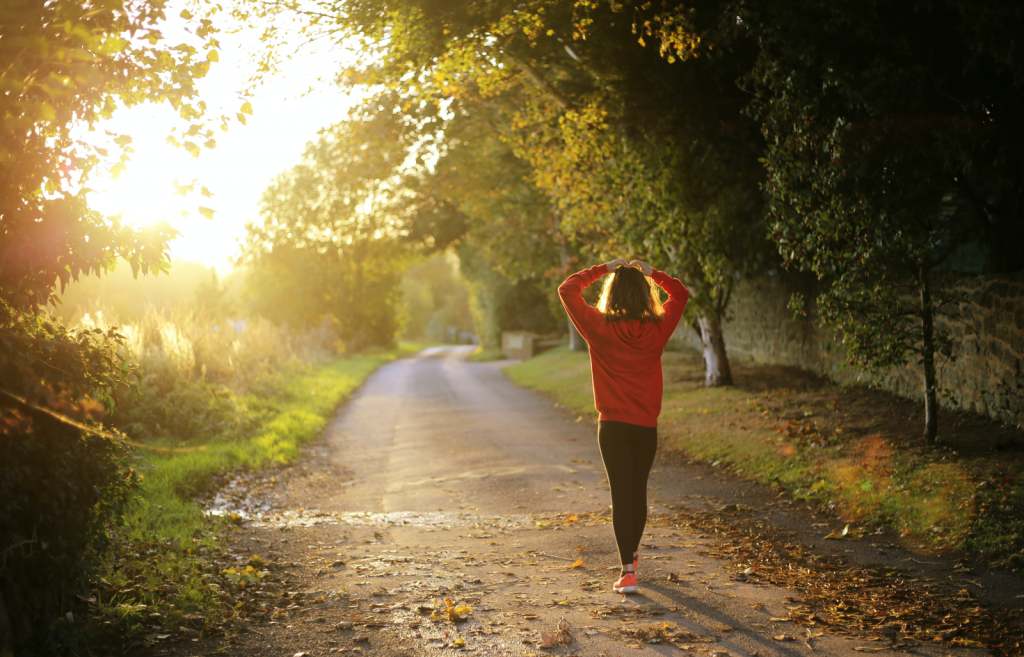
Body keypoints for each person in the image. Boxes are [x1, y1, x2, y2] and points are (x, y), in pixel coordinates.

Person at [558, 258, 689, 594]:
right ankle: (630, 558)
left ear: (611, 295)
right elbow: (681, 293)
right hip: (645, 427)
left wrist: (602, 268)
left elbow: (567, 289)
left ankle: (628, 571)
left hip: (612, 426)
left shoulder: (597, 326)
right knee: (638, 492)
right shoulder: (658, 328)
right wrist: (653, 274)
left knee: (621, 494)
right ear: (645, 296)